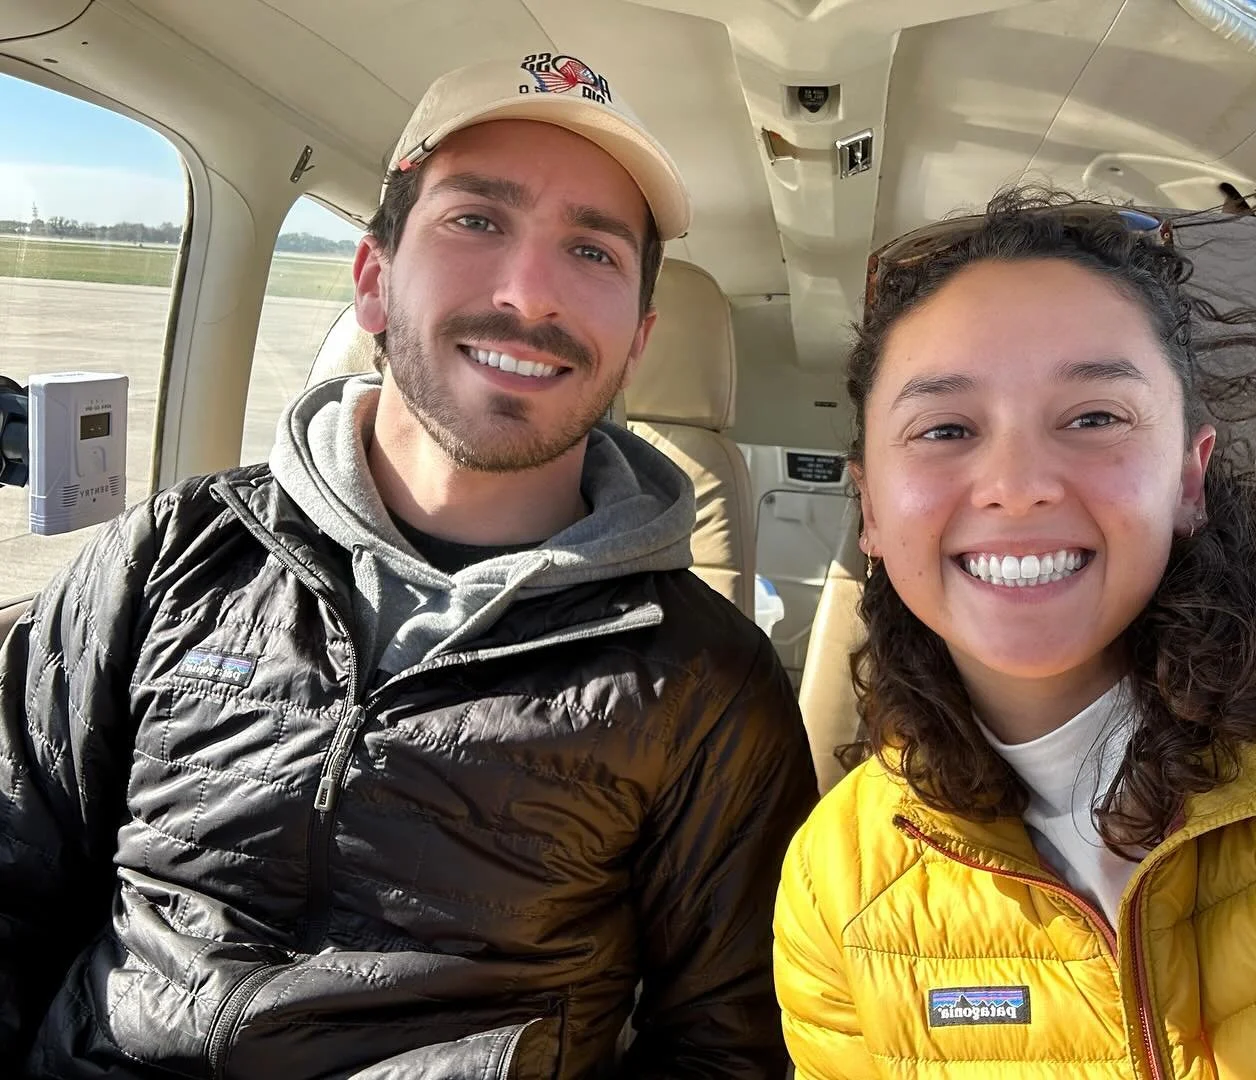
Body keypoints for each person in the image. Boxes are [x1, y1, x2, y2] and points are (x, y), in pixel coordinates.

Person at [0, 53, 816, 1079]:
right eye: (476, 221)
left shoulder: (707, 683)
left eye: (593, 253)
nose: (530, 292)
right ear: (374, 281)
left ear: (638, 339)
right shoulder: (171, 553)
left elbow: (725, 1046)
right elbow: (15, 879)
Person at [772, 187, 1256, 1078]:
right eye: (944, 429)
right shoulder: (834, 884)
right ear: (872, 514)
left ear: (1189, 479)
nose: (1017, 485)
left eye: (1094, 418)